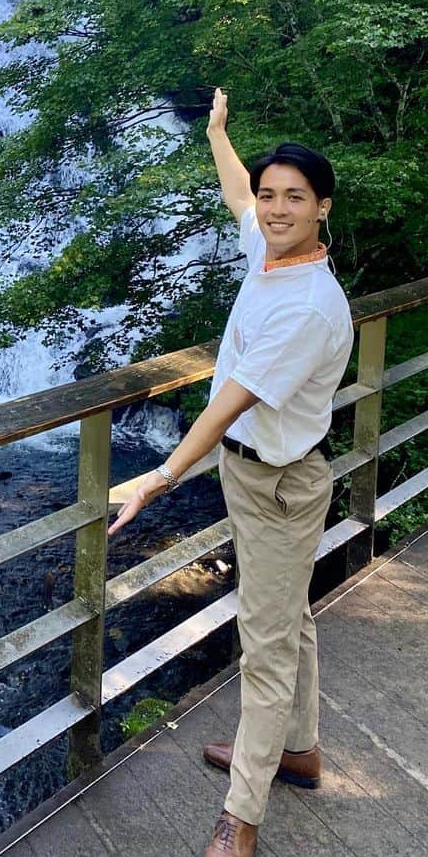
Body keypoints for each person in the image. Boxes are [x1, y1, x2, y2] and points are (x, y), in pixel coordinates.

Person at [108, 88, 353, 857]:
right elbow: (236, 193)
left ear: (323, 209)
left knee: (267, 642)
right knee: (287, 617)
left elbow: (231, 400)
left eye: (294, 199)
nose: (274, 208)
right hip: (254, 478)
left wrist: (160, 476)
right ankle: (300, 751)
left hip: (279, 485)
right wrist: (219, 133)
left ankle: (240, 817)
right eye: (272, 195)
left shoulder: (309, 307)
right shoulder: (273, 248)